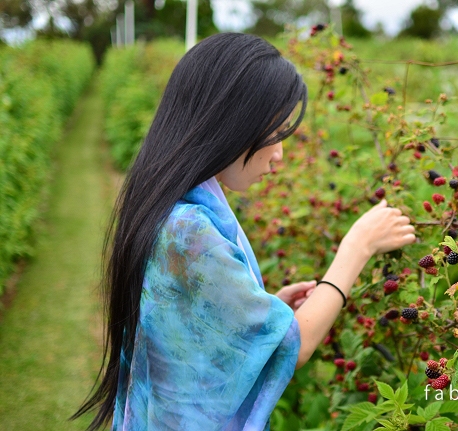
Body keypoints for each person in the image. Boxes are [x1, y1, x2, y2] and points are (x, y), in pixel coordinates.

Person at [71, 33, 416, 431]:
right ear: (232, 123)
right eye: (274, 134)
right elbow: (296, 345)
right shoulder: (189, 231)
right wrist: (358, 246)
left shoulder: (167, 203)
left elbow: (187, 318)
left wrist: (255, 308)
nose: (280, 154)